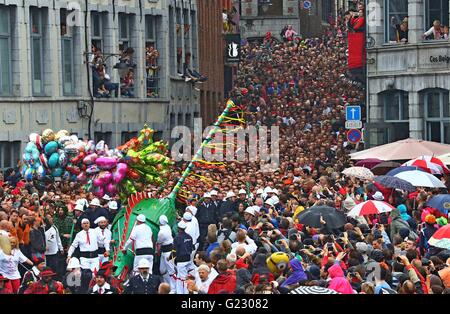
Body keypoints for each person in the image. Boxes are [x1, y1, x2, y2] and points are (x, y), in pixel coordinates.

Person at [173, 220, 193, 294]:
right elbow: (191, 248)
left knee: (182, 279)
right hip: (188, 259)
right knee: (180, 277)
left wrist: (170, 258)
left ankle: (185, 292)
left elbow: (174, 250)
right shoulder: (189, 237)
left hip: (181, 261)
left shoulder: (177, 238)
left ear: (178, 228)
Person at [157, 215, 175, 292]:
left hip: (168, 252)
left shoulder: (161, 232)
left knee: (171, 271)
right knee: (162, 270)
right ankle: (166, 285)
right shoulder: (167, 227)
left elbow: (159, 241)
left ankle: (172, 289)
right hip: (165, 251)